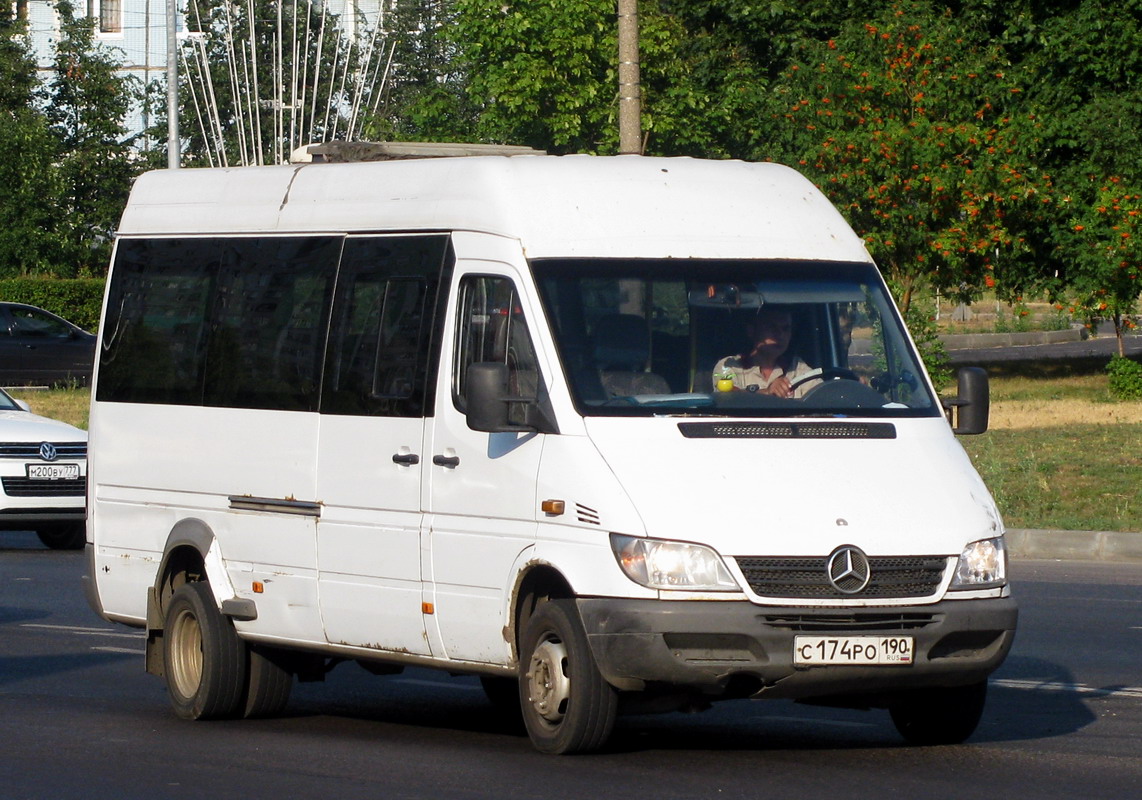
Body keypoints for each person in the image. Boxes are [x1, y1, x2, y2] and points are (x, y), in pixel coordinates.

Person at [711, 306, 820, 398]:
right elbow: (727, 398)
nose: (780, 335)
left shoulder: (797, 367)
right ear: (752, 331)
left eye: (785, 329)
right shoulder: (728, 366)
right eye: (772, 327)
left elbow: (822, 396)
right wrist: (766, 392)